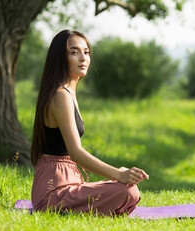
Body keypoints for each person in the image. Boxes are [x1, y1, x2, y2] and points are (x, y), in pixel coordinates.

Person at [30, 30, 149, 216]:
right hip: (53, 193)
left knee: (126, 188)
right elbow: (76, 152)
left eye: (86, 52)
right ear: (60, 57)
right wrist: (118, 173)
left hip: (70, 182)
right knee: (127, 191)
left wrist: (119, 176)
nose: (83, 58)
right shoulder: (60, 95)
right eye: (74, 52)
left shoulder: (68, 92)